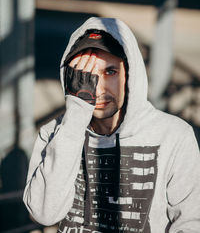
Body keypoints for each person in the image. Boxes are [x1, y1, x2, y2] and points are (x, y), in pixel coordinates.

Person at [23, 17, 200, 233]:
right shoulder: (54, 132)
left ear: (130, 74)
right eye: (84, 75)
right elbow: (44, 213)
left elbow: (191, 223)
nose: (96, 88)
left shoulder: (174, 135)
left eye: (110, 72)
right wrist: (76, 117)